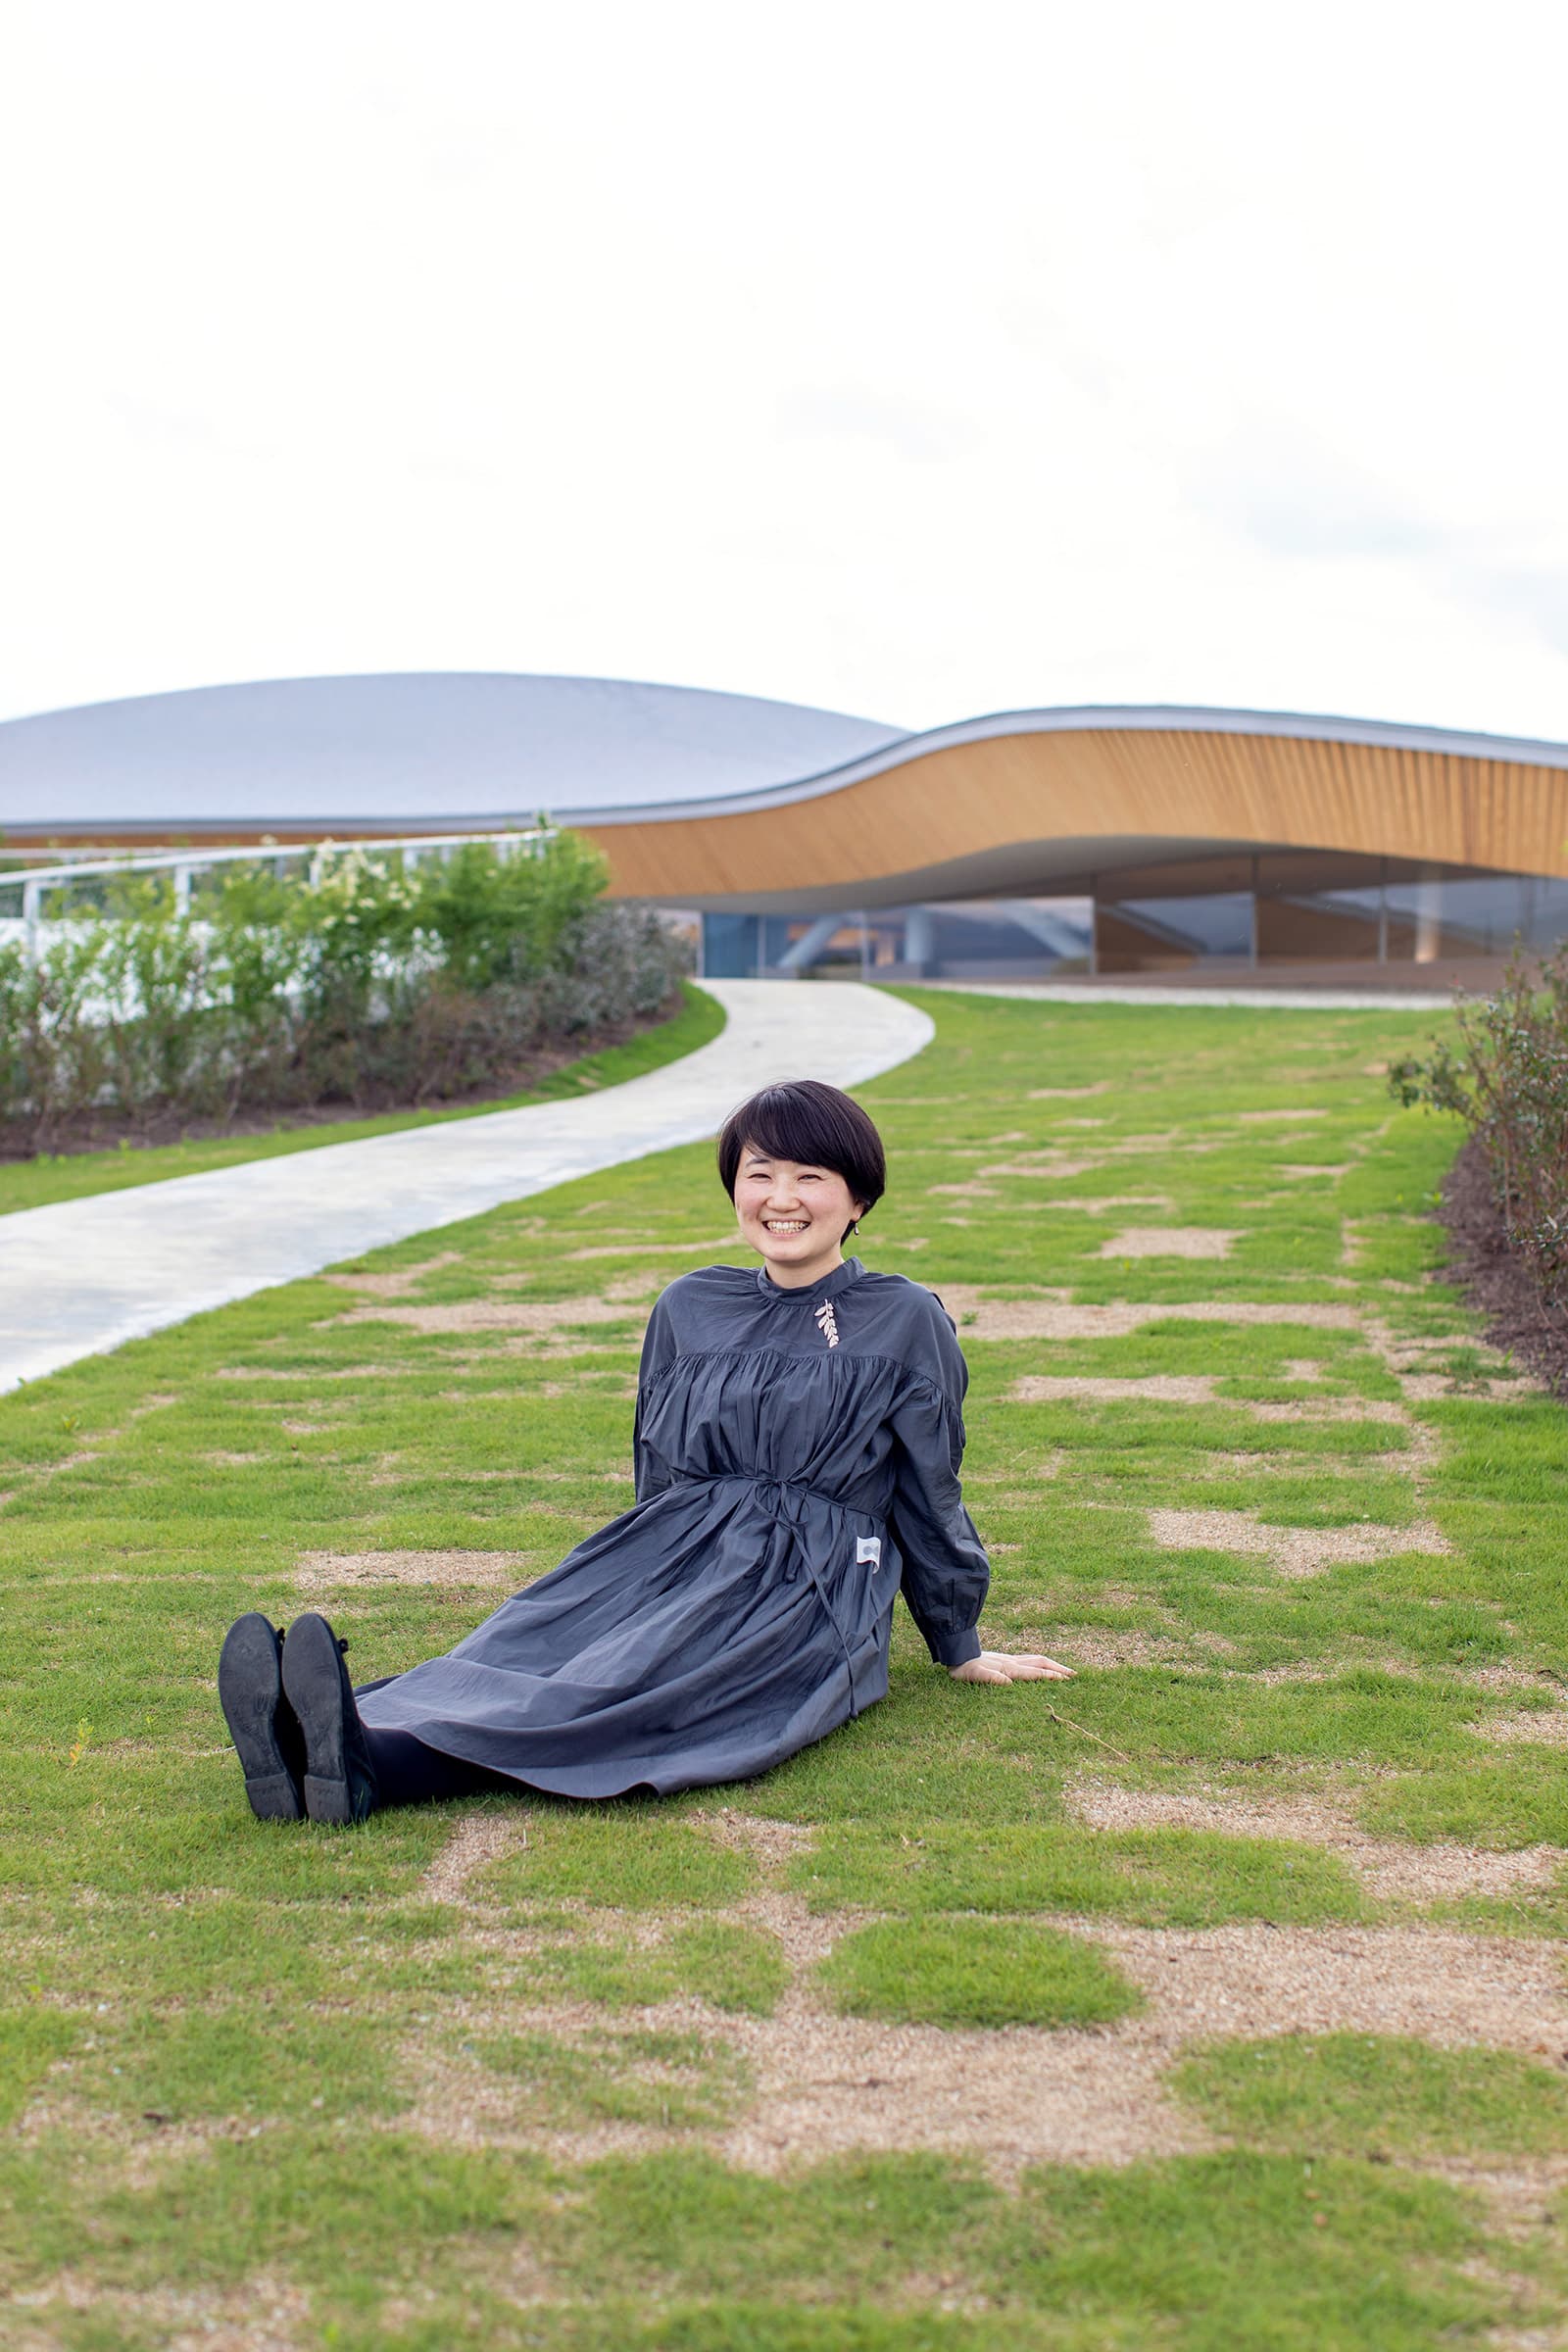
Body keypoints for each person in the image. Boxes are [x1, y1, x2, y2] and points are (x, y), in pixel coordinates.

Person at [218, 1079, 1072, 1825]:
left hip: (810, 1574)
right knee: (535, 1639)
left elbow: (930, 1486)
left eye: (811, 1176)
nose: (782, 1197)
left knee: (651, 1681)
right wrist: (626, 1576)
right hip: (673, 1540)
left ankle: (370, 1765)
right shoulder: (688, 1305)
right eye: (759, 1174)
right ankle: (312, 1737)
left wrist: (956, 1639)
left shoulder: (904, 1318)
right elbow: (655, 1463)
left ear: (858, 1202)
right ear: (735, 1189)